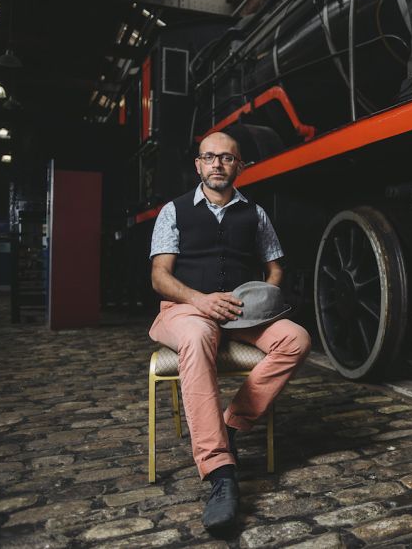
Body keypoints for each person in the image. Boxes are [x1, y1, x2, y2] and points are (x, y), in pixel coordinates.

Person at [147, 131, 311, 533]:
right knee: (199, 336)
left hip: (243, 315)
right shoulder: (174, 210)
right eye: (209, 157)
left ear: (239, 166)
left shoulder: (255, 214)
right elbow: (159, 276)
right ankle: (219, 470)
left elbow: (275, 264)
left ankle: (231, 424)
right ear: (198, 165)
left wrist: (266, 293)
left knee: (297, 339)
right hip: (186, 310)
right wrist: (200, 301)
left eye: (226, 158)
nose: (217, 164)